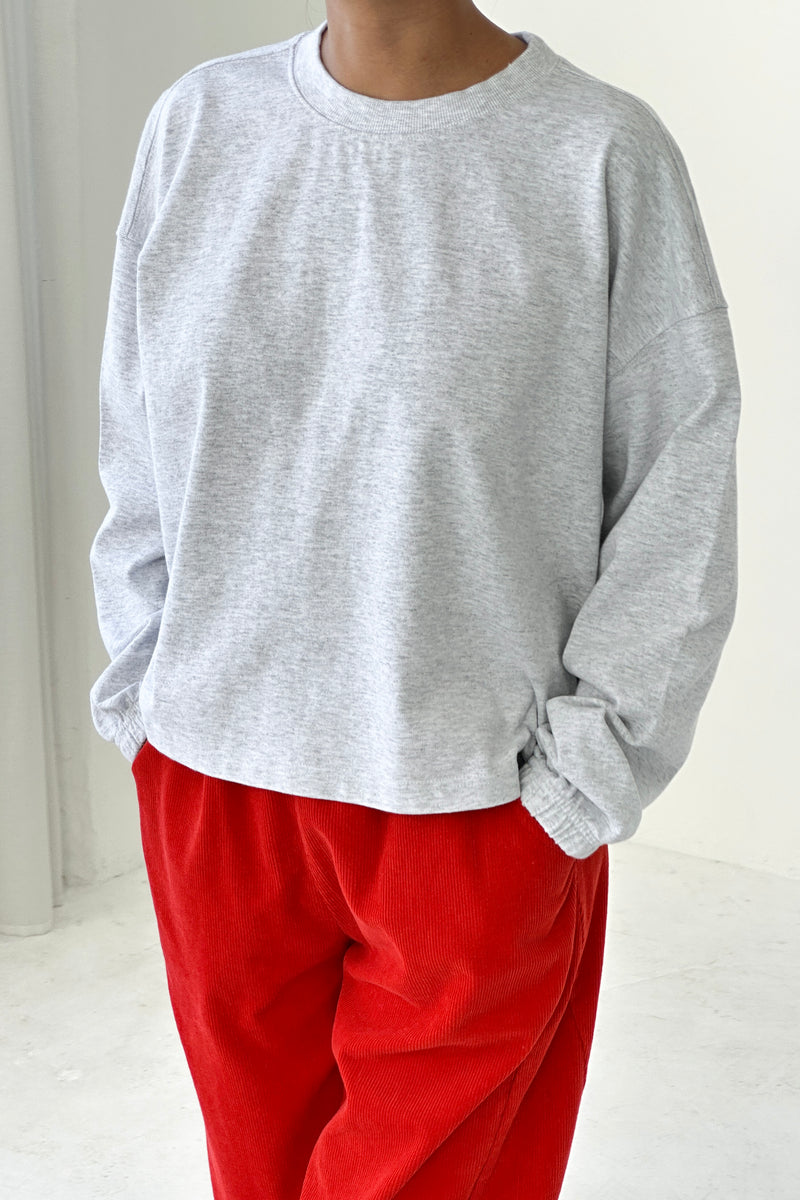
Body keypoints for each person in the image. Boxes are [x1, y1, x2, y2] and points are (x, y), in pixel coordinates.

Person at [88, 1, 741, 1197]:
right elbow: (139, 448)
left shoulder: (596, 151)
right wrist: (145, 699)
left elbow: (675, 487)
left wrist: (579, 779)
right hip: (214, 792)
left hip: (468, 806)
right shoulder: (199, 124)